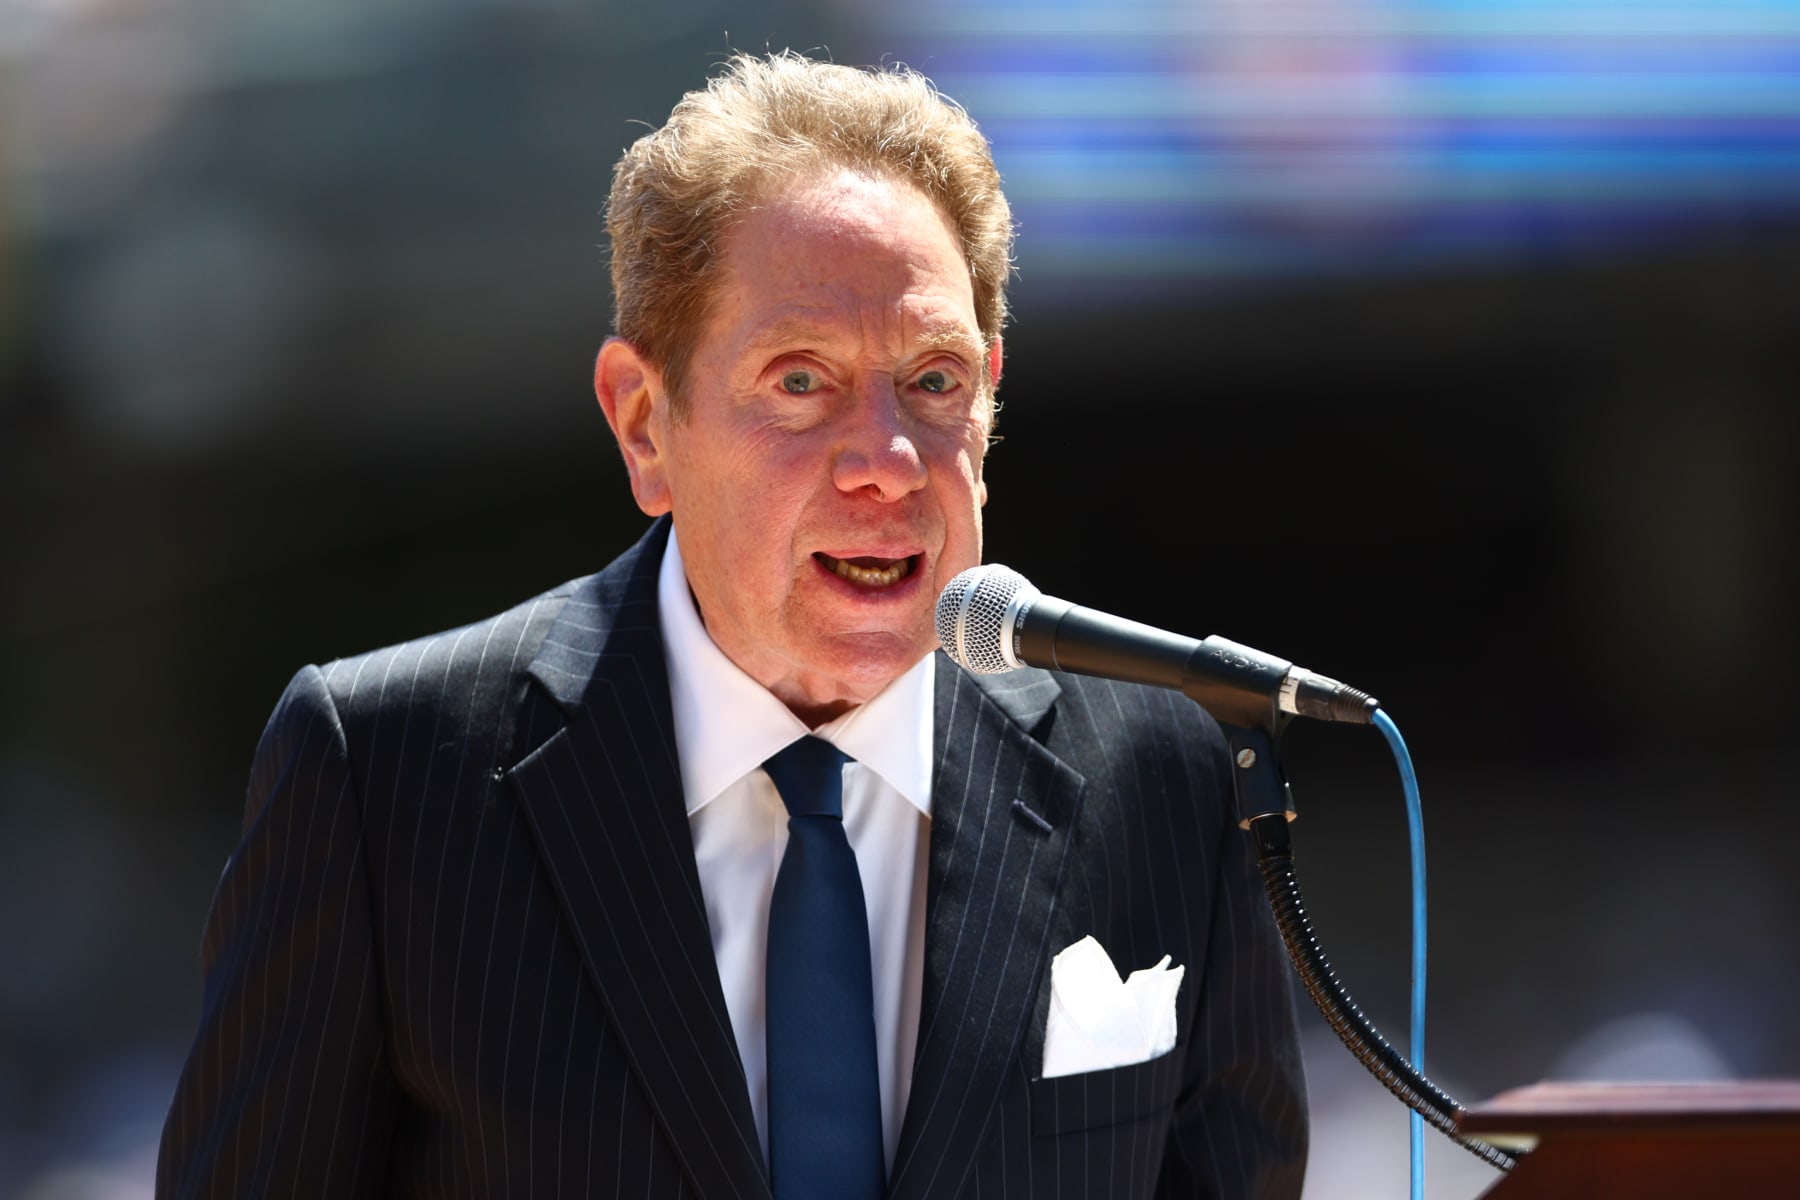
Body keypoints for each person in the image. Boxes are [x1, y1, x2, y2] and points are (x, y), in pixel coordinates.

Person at [156, 51, 1308, 1199]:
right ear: (645, 425)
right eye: (800, 382)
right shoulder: (385, 776)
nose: (889, 461)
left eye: (936, 380)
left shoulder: (1167, 771)